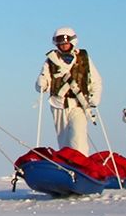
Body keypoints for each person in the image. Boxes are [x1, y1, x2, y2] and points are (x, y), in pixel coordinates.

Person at [34, 26, 104, 155]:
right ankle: (68, 168)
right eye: (61, 44)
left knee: (78, 137)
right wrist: (41, 84)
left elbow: (96, 80)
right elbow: (43, 82)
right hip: (58, 105)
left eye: (66, 43)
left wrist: (94, 98)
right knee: (64, 141)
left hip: (78, 104)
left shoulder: (83, 58)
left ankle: (82, 165)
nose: (63, 46)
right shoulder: (51, 60)